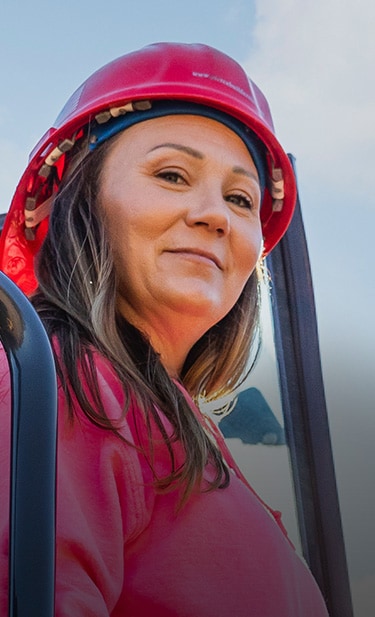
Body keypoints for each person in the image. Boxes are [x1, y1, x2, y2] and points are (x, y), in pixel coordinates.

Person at [0, 42, 329, 616]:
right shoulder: (61, 385)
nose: (215, 214)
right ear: (75, 197)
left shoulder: (176, 423)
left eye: (240, 197)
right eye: (173, 174)